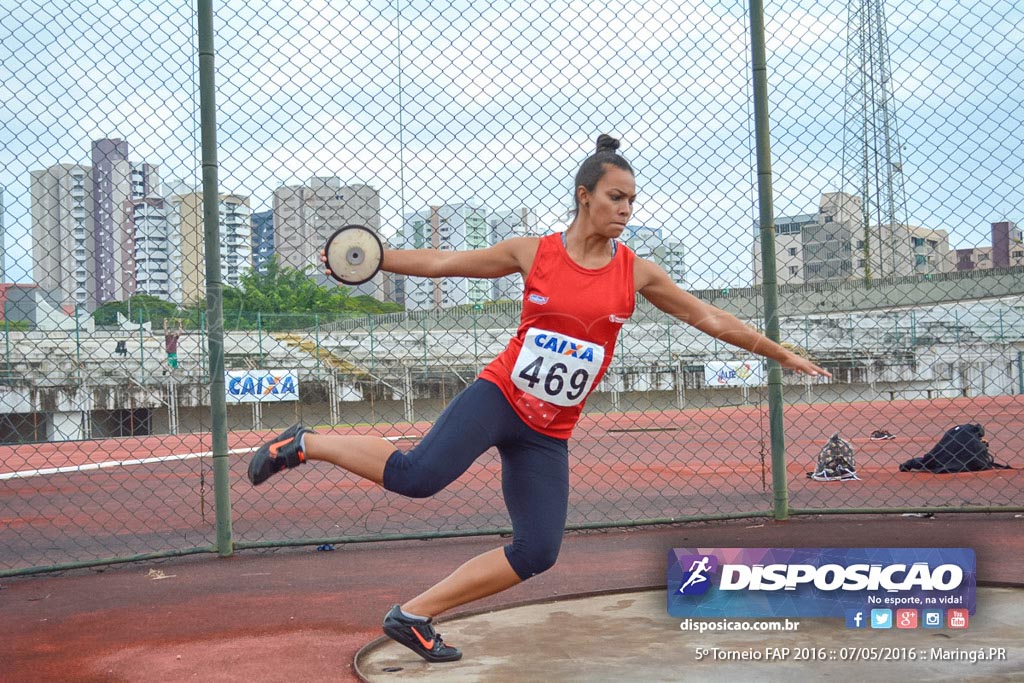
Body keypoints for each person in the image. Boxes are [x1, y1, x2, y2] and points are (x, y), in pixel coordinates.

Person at [247, 134, 832, 663]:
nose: (627, 210)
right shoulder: (536, 252)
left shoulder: (638, 273)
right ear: (585, 197)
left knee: (538, 551)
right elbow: (447, 263)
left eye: (632, 200)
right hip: (499, 395)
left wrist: (775, 351)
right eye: (616, 197)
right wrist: (371, 259)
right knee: (416, 475)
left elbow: (708, 317)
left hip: (549, 431)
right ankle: (305, 443)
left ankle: (413, 615)